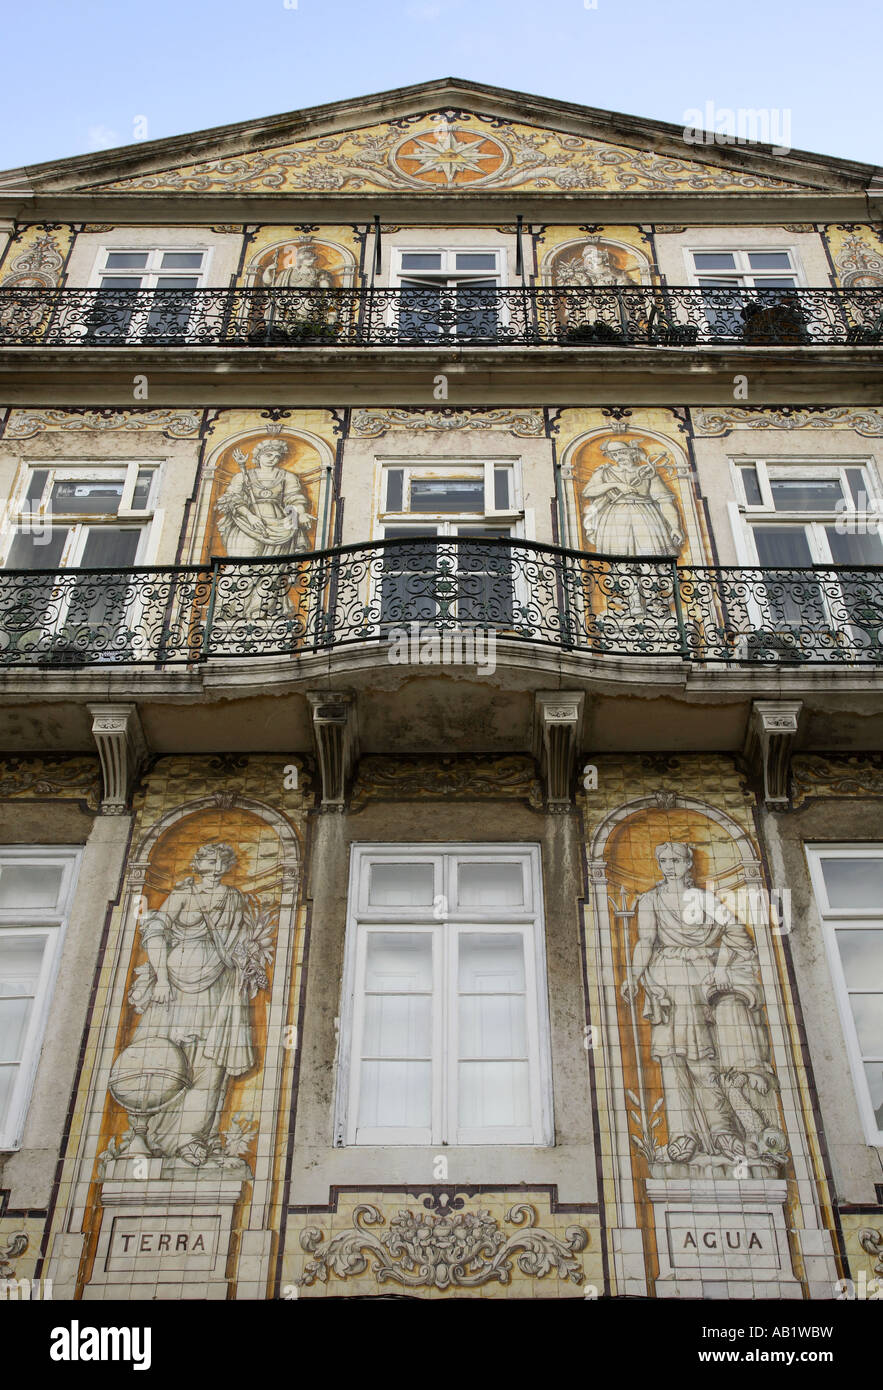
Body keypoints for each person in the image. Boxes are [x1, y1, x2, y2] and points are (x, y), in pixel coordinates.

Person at [620, 841, 778, 1163]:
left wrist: (720, 969)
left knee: (705, 1060)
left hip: (701, 980)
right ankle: (683, 1135)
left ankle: (722, 1131)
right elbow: (646, 941)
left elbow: (736, 933)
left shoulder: (704, 899)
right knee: (671, 1058)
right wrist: (633, 976)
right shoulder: (650, 900)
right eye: (662, 859)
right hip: (666, 980)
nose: (669, 865)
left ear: (688, 863)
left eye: (675, 859)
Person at [126, 842, 273, 1166]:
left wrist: (246, 963)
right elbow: (154, 932)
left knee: (211, 1063)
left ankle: (192, 1138)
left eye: (223, 858)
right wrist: (162, 979)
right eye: (210, 857)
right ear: (198, 862)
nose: (217, 863)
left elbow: (242, 943)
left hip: (218, 987)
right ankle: (149, 1134)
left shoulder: (233, 898)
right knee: (165, 1056)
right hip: (175, 989)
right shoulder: (183, 894)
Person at [215, 437, 314, 622]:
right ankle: (231, 610)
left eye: (277, 456)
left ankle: (259, 611)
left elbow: (295, 500)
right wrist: (250, 515)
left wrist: (299, 515)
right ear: (259, 456)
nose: (273, 458)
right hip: (248, 525)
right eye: (268, 454)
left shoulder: (287, 476)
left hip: (279, 526)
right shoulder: (243, 476)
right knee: (242, 567)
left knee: (271, 571)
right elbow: (232, 499)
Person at [581, 436, 683, 557]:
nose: (619, 457)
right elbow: (588, 492)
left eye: (622, 453)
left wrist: (675, 527)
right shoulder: (603, 472)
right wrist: (616, 485)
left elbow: (665, 502)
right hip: (615, 517)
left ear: (632, 453)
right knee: (619, 562)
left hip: (646, 515)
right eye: (614, 455)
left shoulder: (648, 471)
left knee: (651, 558)